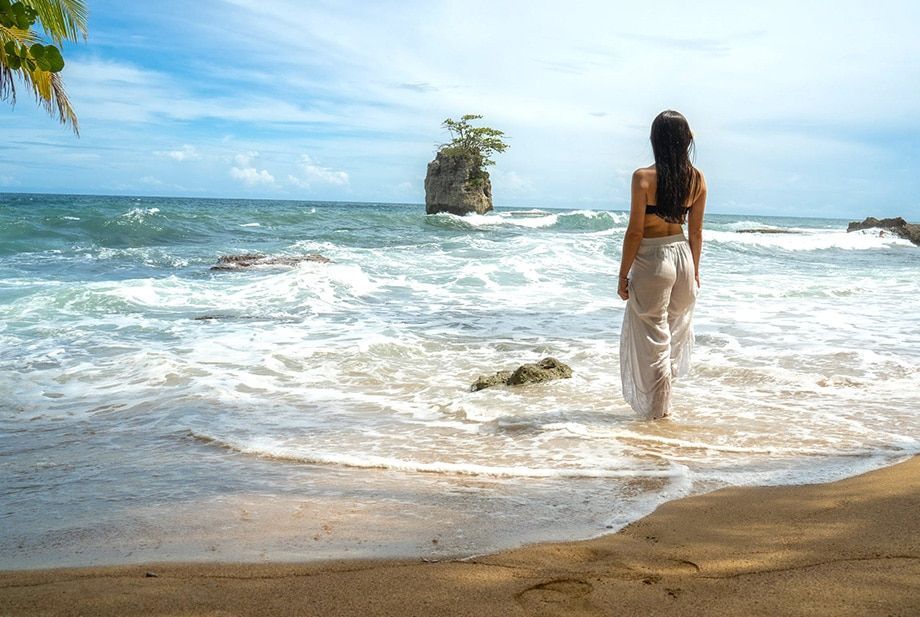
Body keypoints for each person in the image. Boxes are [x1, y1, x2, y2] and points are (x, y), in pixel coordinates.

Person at [617, 110, 707, 420]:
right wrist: (694, 270)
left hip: (653, 260)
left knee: (654, 341)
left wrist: (622, 275)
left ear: (655, 139)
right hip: (682, 258)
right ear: (686, 141)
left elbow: (635, 232)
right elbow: (695, 232)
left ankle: (657, 416)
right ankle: (662, 411)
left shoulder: (643, 178)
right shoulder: (696, 179)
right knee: (670, 335)